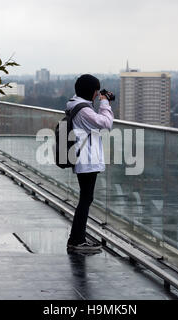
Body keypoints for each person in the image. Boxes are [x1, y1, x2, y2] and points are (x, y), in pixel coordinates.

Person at [65, 74, 114, 252]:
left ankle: (78, 238)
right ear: (92, 92)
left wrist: (100, 101)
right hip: (86, 159)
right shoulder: (84, 109)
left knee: (86, 198)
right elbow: (106, 123)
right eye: (96, 92)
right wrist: (105, 103)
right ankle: (76, 240)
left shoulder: (76, 105)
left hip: (83, 157)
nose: (97, 95)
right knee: (86, 199)